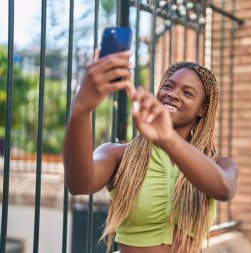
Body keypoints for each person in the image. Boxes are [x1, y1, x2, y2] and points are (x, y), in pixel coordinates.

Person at [63, 49, 238, 253]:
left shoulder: (219, 165)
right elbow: (79, 184)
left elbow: (224, 189)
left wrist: (168, 139)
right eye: (168, 86)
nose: (172, 95)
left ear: (203, 109)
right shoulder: (119, 155)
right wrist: (80, 110)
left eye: (187, 93)